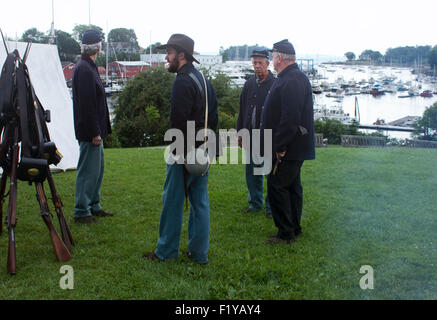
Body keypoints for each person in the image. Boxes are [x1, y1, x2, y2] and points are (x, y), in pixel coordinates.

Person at [143, 34, 218, 264]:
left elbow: (178, 122)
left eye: (169, 52)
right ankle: (199, 254)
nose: (166, 57)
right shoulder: (203, 79)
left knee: (172, 202)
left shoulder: (182, 82)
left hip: (185, 151)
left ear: (181, 55)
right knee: (200, 203)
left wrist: (179, 154)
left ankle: (165, 252)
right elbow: (212, 117)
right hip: (205, 149)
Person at [261, 39, 315, 244]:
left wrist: (279, 146)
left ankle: (285, 233)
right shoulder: (292, 77)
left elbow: (290, 118)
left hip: (288, 147)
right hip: (293, 146)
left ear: (280, 57)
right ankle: (294, 227)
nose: (272, 60)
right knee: (292, 186)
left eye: (273, 56)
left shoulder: (291, 79)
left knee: (277, 186)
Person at [72, 30, 114, 224]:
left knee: (97, 170)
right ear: (97, 47)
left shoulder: (88, 67)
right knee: (88, 171)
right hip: (90, 131)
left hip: (94, 130)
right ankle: (82, 210)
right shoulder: (84, 69)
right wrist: (95, 132)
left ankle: (94, 205)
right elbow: (87, 105)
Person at [236, 49, 275, 217]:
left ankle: (271, 208)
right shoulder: (249, 83)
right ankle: (255, 203)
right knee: (252, 172)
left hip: (268, 136)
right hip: (250, 135)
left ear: (268, 63)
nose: (257, 66)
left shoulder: (276, 84)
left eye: (260, 63)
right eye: (254, 63)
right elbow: (242, 110)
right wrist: (240, 132)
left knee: (269, 173)